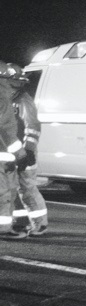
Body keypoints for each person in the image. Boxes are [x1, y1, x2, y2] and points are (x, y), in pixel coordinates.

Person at [8, 63, 47, 236]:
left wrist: (29, 150)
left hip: (24, 152)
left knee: (27, 188)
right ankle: (19, 223)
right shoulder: (5, 100)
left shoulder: (23, 101)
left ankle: (40, 223)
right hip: (9, 152)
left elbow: (33, 126)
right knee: (11, 189)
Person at [0, 61, 27, 240]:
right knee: (4, 192)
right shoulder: (2, 97)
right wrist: (20, 153)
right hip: (3, 154)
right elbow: (6, 128)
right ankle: (3, 229)